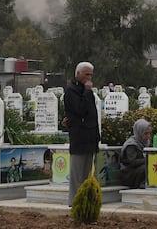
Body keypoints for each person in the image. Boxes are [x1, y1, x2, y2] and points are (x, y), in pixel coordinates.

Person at [63, 61, 100, 206]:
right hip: (79, 138)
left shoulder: (86, 91)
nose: (89, 78)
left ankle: (84, 201)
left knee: (86, 175)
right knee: (77, 174)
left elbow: (91, 113)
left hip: (90, 138)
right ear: (78, 74)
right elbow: (80, 109)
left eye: (91, 75)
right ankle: (74, 202)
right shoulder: (72, 91)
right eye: (86, 74)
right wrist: (87, 91)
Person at [119, 119, 152, 189]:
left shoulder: (147, 143)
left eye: (149, 133)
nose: (148, 136)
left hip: (138, 172)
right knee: (146, 168)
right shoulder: (131, 145)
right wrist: (147, 160)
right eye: (145, 133)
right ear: (139, 133)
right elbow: (132, 162)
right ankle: (141, 185)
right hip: (128, 174)